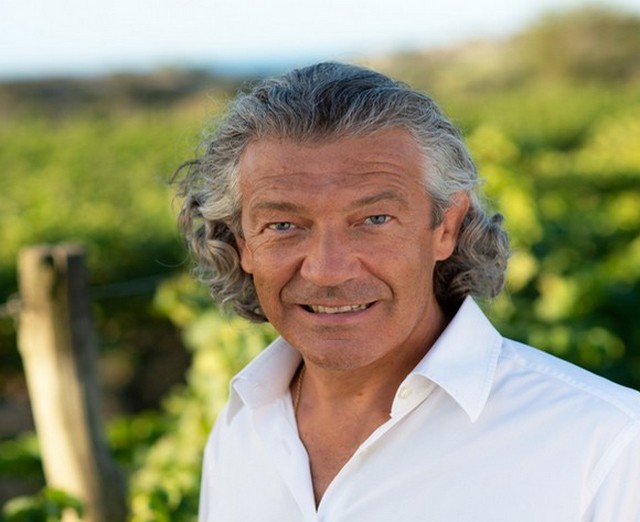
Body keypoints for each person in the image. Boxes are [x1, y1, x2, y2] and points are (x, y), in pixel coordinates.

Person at [175, 62, 640, 521]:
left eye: (374, 219)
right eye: (282, 225)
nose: (328, 270)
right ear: (243, 243)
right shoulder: (239, 434)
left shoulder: (608, 446)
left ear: (446, 227)